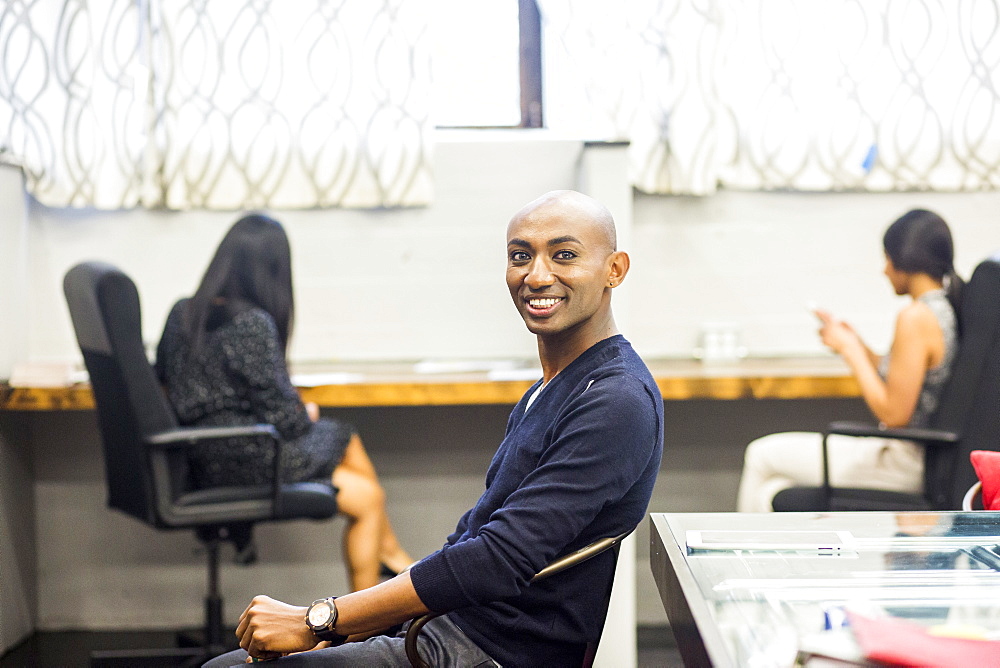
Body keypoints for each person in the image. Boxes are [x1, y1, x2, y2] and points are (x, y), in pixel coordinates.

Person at [201, 190, 664, 667]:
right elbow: (471, 537)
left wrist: (319, 619)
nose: (537, 275)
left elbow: (494, 560)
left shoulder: (615, 400)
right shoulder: (551, 387)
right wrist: (357, 624)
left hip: (490, 650)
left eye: (564, 255)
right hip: (448, 625)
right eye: (520, 256)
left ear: (615, 269)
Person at [155, 213, 413, 591]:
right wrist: (303, 412)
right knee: (345, 439)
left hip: (199, 456)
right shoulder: (252, 322)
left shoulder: (183, 312)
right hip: (250, 456)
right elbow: (286, 420)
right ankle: (376, 601)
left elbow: (164, 376)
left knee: (368, 495)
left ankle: (391, 562)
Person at [737, 209, 963, 512]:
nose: (884, 270)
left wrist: (851, 352)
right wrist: (856, 343)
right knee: (770, 491)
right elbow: (907, 375)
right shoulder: (943, 309)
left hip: (903, 462)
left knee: (760, 455)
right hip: (918, 457)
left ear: (904, 259)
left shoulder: (916, 317)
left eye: (887, 259)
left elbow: (894, 414)